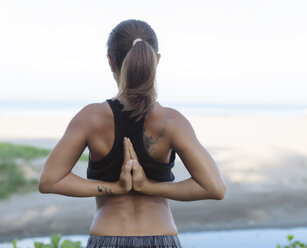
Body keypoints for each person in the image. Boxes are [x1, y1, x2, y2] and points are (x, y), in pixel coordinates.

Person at [38, 19, 226, 248]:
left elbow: (50, 181)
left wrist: (116, 188)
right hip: (161, 237)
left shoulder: (90, 118)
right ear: (156, 60)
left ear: (110, 61)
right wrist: (149, 187)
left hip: (106, 237)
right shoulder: (173, 122)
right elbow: (214, 188)